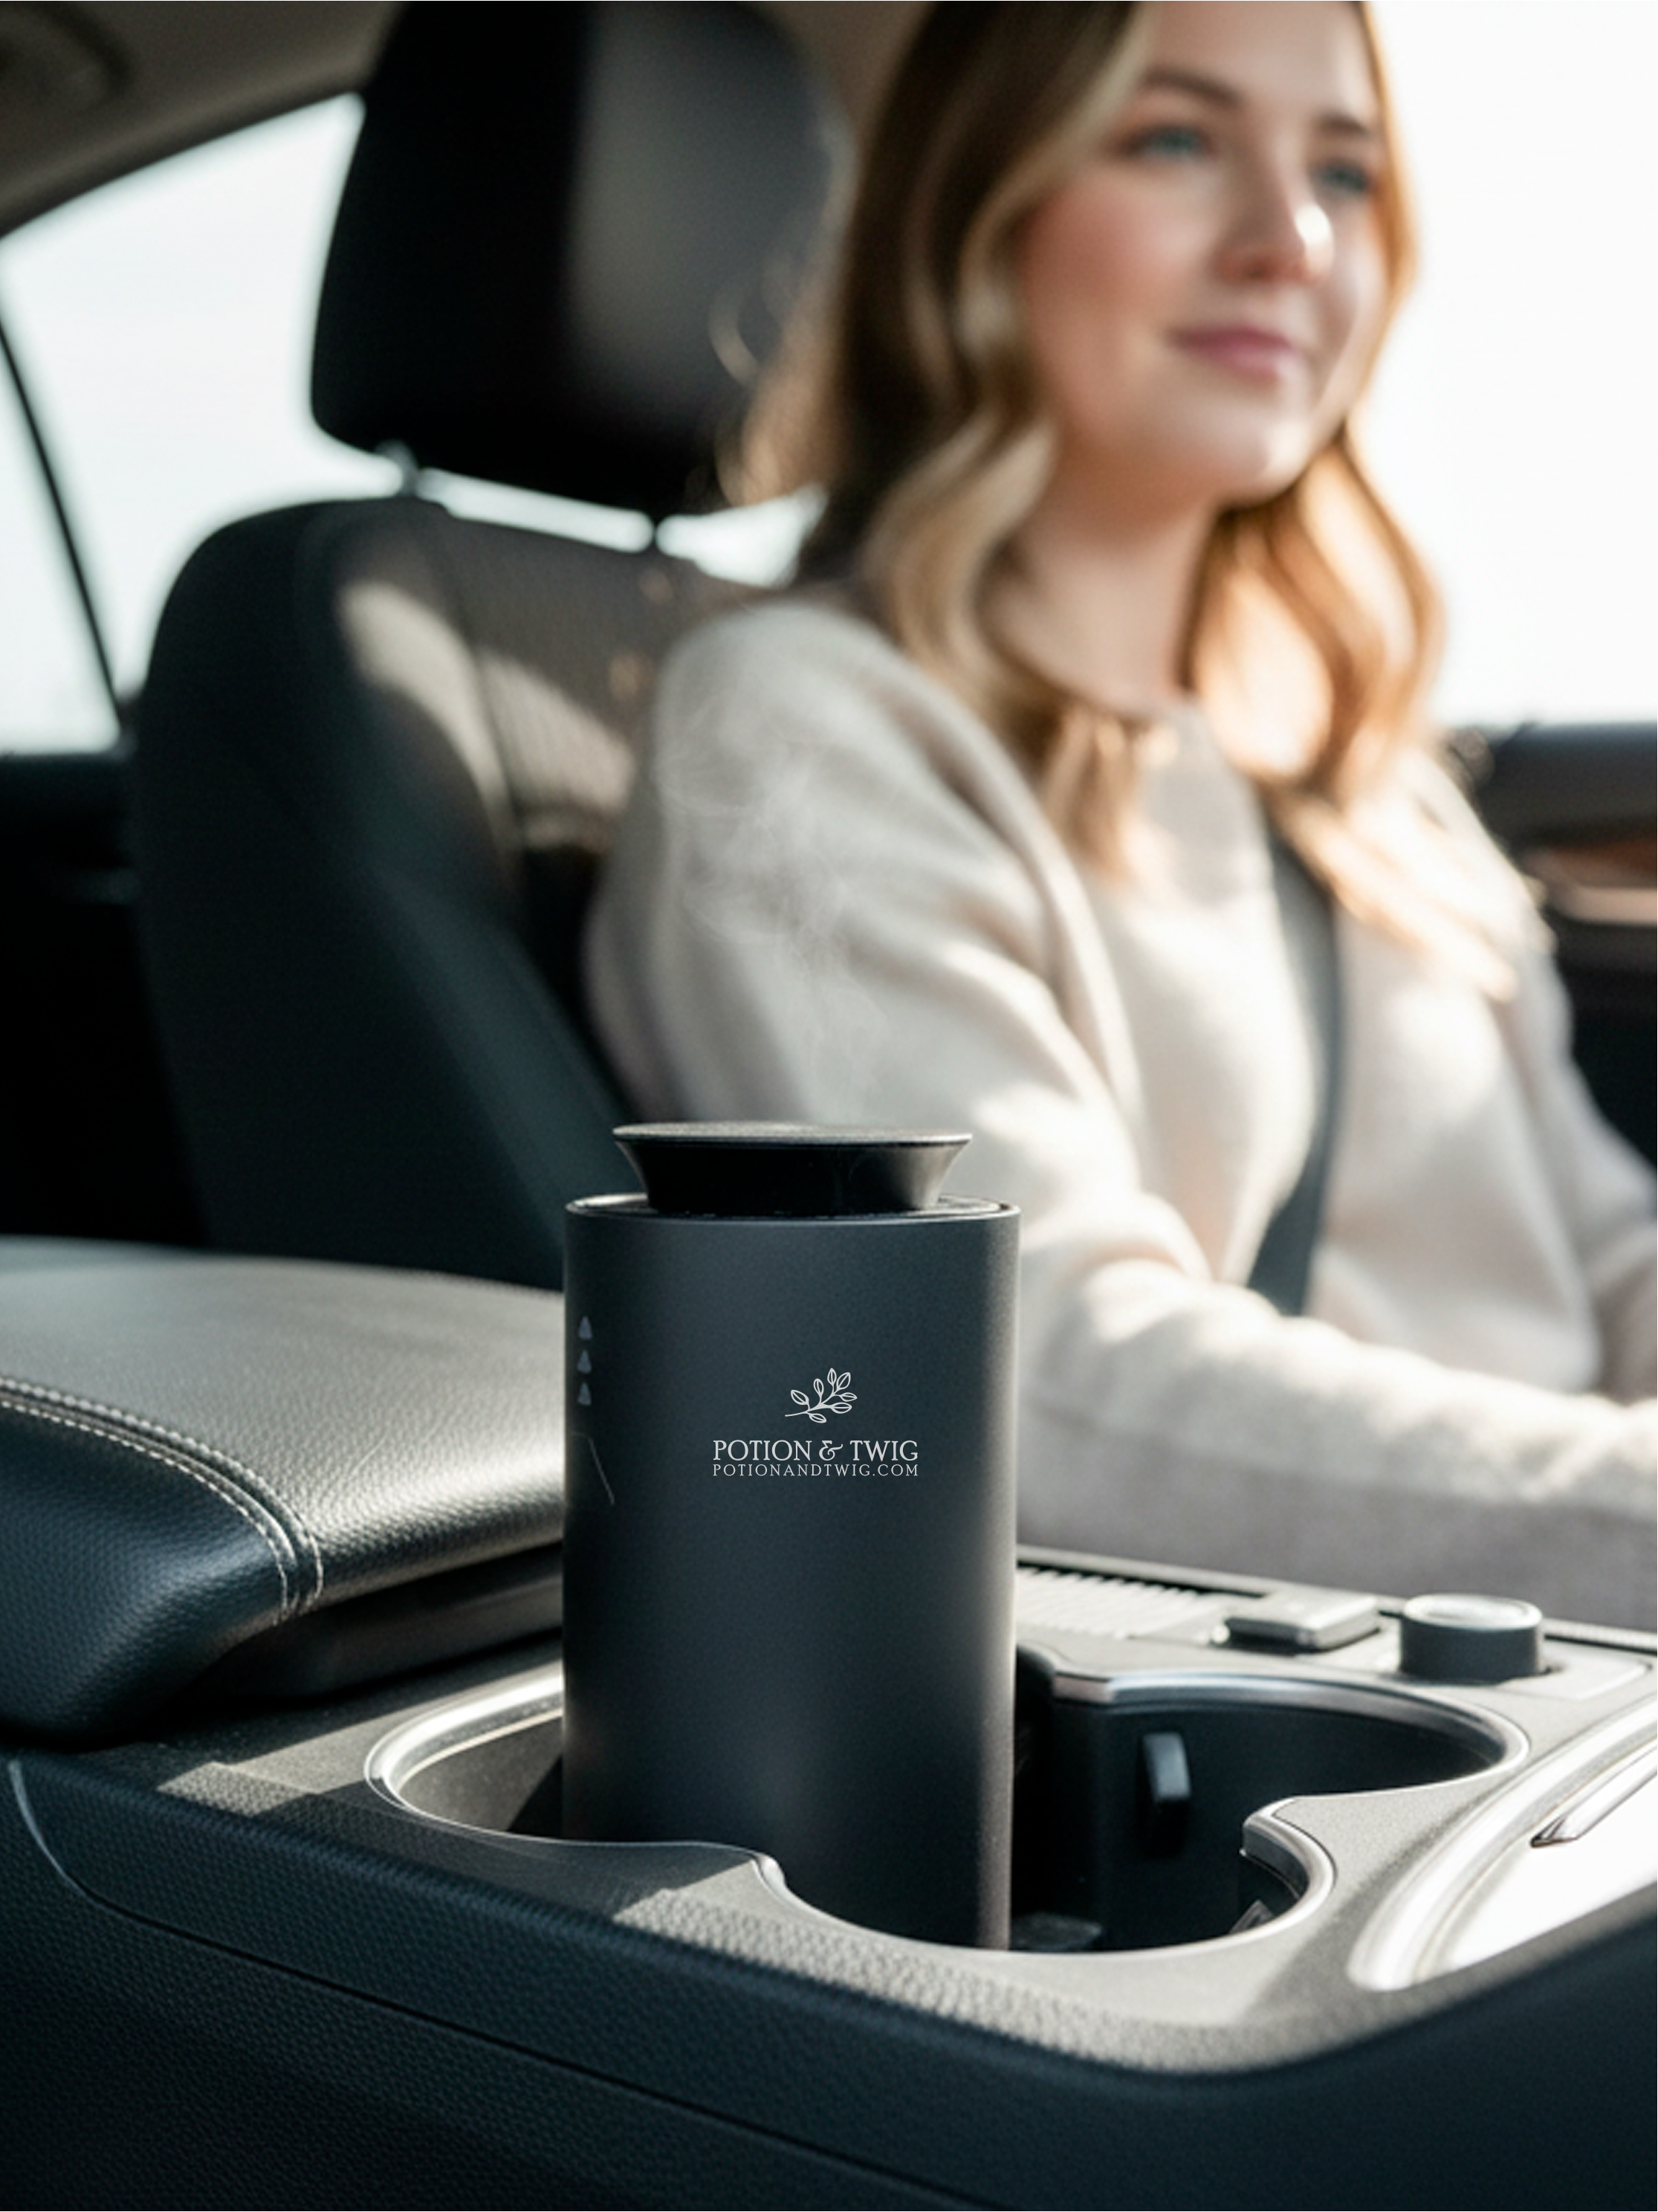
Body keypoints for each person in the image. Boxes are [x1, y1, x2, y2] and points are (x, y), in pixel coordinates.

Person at [586, 0, 1658, 1625]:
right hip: (1323, 1736)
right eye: (1173, 140)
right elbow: (1041, 1375)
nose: (1287, 237)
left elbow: (1605, 1261)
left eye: (1345, 172)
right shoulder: (806, 732)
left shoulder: (1359, 785)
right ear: (972, 212)